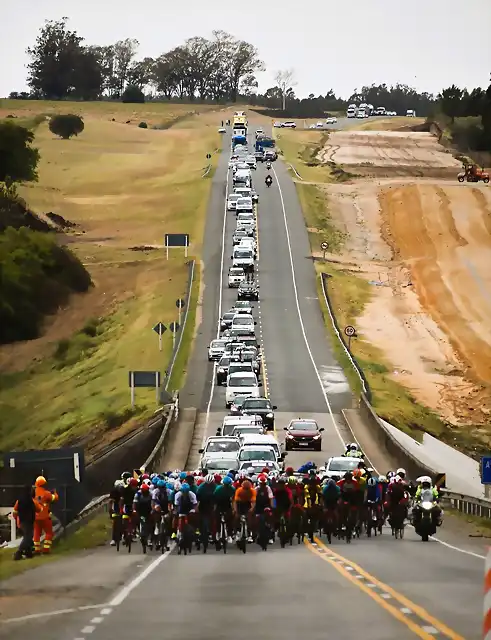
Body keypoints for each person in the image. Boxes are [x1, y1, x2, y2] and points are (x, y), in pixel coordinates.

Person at [12, 485, 42, 560]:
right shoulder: (33, 501)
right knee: (28, 537)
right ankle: (18, 552)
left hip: (21, 522)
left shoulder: (19, 501)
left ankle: (29, 553)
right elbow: (39, 509)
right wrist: (39, 502)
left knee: (27, 537)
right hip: (28, 522)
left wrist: (17, 520)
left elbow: (15, 512)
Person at [33, 476, 59, 554]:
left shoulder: (32, 493)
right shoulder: (46, 493)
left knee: (36, 533)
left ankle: (37, 549)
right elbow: (55, 498)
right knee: (49, 533)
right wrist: (55, 493)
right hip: (45, 517)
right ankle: (46, 549)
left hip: (35, 517)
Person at [214, 475, 236, 542]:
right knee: (217, 518)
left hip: (227, 504)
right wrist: (214, 508)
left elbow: (233, 500)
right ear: (223, 484)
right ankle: (217, 532)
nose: (226, 486)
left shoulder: (232, 489)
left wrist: (233, 508)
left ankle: (229, 534)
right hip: (219, 504)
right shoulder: (218, 489)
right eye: (225, 485)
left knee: (230, 519)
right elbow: (214, 500)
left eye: (228, 485)